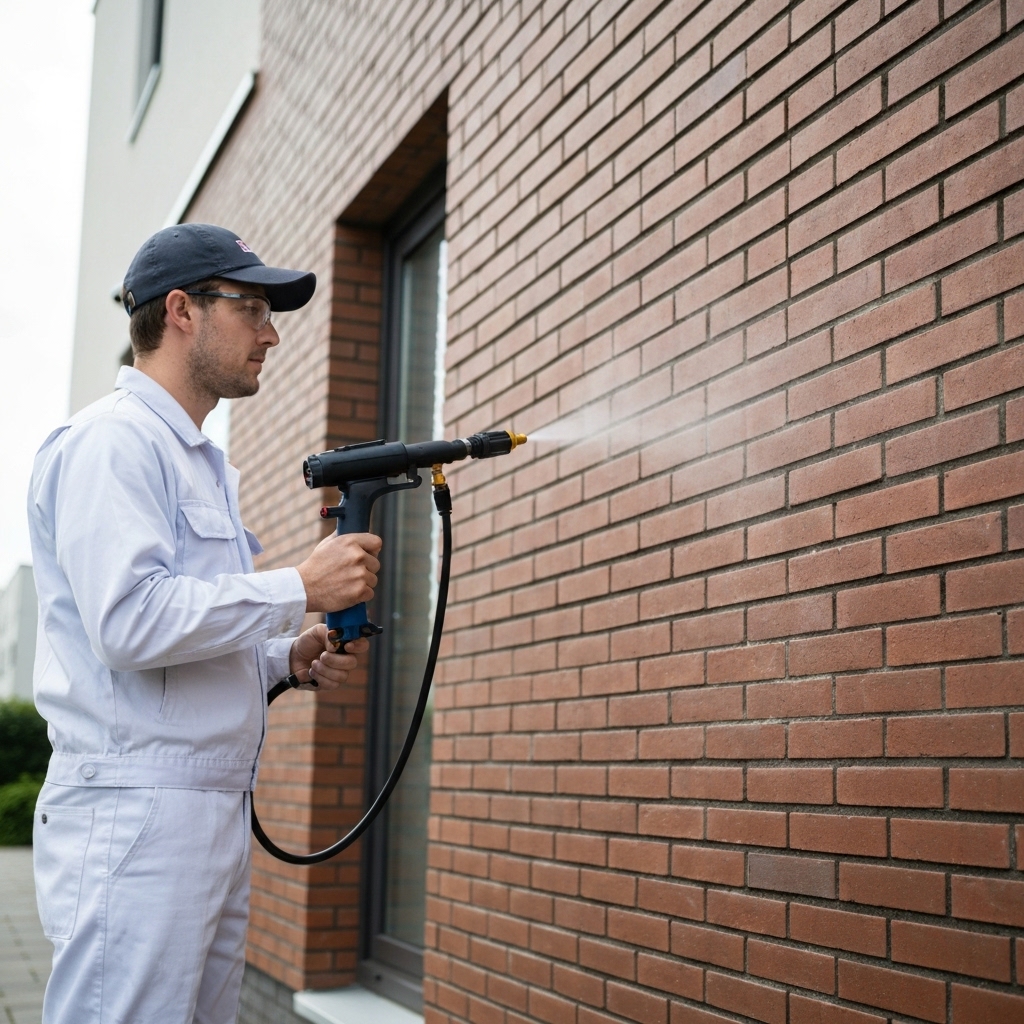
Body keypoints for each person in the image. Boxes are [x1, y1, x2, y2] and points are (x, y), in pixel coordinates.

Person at [27, 223, 382, 1024]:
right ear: (182, 310)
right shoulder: (111, 444)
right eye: (252, 308)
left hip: (205, 808)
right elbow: (129, 622)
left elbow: (184, 642)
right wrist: (298, 583)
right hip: (136, 813)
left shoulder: (198, 461)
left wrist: (284, 657)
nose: (271, 332)